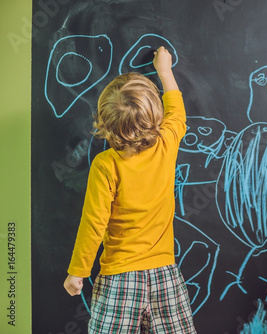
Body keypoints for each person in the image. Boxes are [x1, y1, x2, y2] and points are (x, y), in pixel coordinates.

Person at [63, 46, 197, 333]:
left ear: (105, 125)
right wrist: (164, 70)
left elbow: (93, 224)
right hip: (165, 275)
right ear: (156, 116)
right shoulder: (166, 143)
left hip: (119, 280)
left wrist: (78, 271)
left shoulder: (106, 164)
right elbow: (177, 111)